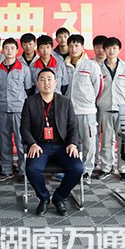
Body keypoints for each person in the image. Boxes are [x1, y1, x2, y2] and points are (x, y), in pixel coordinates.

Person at [21, 68, 83, 216]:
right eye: (42, 79)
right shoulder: (30, 102)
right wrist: (32, 143)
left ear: (55, 83)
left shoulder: (65, 102)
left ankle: (59, 198)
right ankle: (44, 198)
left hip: (63, 145)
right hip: (40, 145)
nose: (46, 83)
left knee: (77, 168)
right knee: (32, 169)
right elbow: (24, 127)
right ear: (37, 83)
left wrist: (73, 143)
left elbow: (73, 126)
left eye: (49, 79)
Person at [94, 37, 125, 181]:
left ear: (119, 50)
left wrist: (122, 101)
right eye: (108, 48)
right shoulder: (98, 68)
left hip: (122, 109)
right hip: (104, 108)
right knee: (106, 140)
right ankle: (106, 167)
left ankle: (123, 169)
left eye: (114, 48)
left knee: (124, 141)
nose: (111, 51)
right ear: (104, 50)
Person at [64, 34, 102, 184]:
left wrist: (88, 101)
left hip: (87, 111)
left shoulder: (91, 65)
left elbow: (98, 87)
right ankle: (73, 169)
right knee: (71, 142)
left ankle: (87, 171)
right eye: (71, 46)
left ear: (82, 47)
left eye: (77, 45)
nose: (73, 49)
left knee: (88, 143)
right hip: (69, 111)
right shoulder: (64, 64)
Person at [0, 38, 33, 181]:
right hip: (2, 109)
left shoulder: (24, 69)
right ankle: (6, 170)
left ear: (17, 50)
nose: (9, 51)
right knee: (4, 141)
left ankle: (24, 170)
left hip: (19, 110)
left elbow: (28, 89)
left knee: (21, 141)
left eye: (12, 48)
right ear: (2, 50)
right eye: (6, 48)